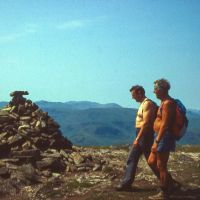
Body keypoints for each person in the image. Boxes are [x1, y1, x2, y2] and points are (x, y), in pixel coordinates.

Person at [116, 85, 160, 191]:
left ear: (139, 93)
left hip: (144, 134)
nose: (132, 98)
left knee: (149, 160)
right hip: (142, 134)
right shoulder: (143, 104)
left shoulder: (147, 104)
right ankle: (126, 183)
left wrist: (137, 139)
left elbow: (146, 123)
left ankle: (168, 181)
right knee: (135, 158)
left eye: (133, 95)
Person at [148, 79, 178, 199]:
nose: (154, 91)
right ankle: (170, 184)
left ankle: (165, 192)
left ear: (161, 89)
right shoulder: (163, 102)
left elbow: (165, 124)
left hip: (163, 137)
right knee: (151, 161)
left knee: (161, 165)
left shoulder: (168, 103)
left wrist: (157, 141)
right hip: (159, 136)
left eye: (155, 89)